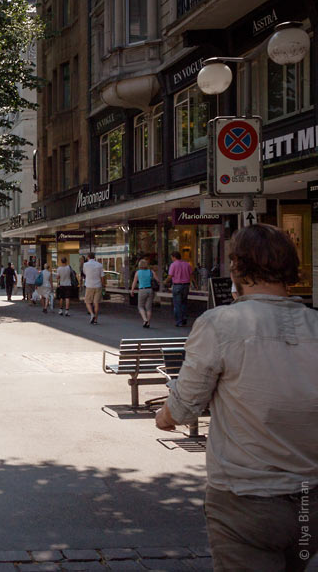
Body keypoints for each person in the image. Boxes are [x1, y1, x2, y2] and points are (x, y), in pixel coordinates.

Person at [155, 225, 317, 571]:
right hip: (311, 500)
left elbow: (184, 406)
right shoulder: (314, 325)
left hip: (246, 499)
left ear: (237, 268)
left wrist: (163, 417)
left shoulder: (221, 324)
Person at [164, 251, 193, 327]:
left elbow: (170, 276)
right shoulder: (187, 264)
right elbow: (191, 275)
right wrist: (195, 285)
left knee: (177, 304)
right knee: (184, 302)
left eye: (172, 257)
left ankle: (179, 321)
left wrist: (164, 282)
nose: (171, 259)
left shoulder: (173, 265)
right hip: (186, 285)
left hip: (177, 286)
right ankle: (184, 318)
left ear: (174, 257)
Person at [130, 259, 161, 328]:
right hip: (150, 290)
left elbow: (134, 282)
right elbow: (158, 280)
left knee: (140, 306)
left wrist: (132, 290)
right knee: (148, 308)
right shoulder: (151, 271)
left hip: (142, 290)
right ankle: (148, 323)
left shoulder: (138, 272)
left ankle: (145, 319)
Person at [82, 252, 105, 324]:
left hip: (89, 285)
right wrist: (103, 285)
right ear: (94, 257)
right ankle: (96, 319)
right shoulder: (99, 265)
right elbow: (102, 277)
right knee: (96, 303)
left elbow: (85, 273)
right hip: (98, 285)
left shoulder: (85, 265)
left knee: (87, 301)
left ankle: (92, 314)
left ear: (88, 257)